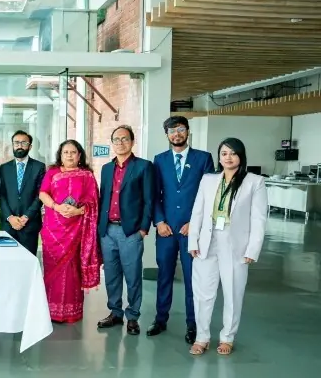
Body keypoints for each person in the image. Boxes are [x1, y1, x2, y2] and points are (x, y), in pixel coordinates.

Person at [188, 138, 267, 356]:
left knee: (233, 292)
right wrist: (193, 241)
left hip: (235, 244)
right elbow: (198, 212)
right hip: (207, 240)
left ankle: (227, 337)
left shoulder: (254, 182)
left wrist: (252, 249)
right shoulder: (208, 180)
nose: (228, 157)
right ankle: (202, 337)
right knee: (203, 292)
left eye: (233, 153)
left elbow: (259, 219)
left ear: (241, 156)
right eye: (223, 153)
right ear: (219, 157)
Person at [148, 116, 215, 343]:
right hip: (166, 230)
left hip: (191, 230)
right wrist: (159, 221)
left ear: (188, 132)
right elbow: (154, 195)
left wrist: (195, 223)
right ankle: (160, 319)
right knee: (164, 276)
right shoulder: (159, 160)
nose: (177, 134)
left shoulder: (203, 159)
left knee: (191, 278)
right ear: (166, 134)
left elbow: (209, 195)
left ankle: (192, 325)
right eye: (172, 131)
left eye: (181, 129)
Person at [97, 125, 155, 335]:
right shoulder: (106, 168)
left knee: (132, 275)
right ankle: (115, 312)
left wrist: (143, 229)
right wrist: (99, 228)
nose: (120, 143)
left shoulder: (143, 167)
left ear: (132, 141)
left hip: (130, 231)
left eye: (125, 139)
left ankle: (133, 316)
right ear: (111, 143)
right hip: (107, 231)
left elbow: (150, 200)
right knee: (111, 275)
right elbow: (104, 198)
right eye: (116, 139)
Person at [38, 140, 101, 323]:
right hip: (53, 230)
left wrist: (79, 211)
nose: (70, 155)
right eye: (66, 152)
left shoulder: (87, 176)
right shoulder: (52, 173)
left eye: (73, 152)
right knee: (52, 269)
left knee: (72, 270)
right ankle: (50, 310)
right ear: (61, 155)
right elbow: (43, 193)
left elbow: (93, 202)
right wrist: (57, 207)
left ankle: (71, 311)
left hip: (76, 230)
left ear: (79, 155)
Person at [0, 130, 46, 255]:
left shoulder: (39, 167)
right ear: (12, 145)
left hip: (29, 225)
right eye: (16, 143)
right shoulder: (4, 168)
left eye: (24, 143)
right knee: (7, 263)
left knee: (28, 262)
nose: (19, 146)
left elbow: (40, 195)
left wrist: (26, 217)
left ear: (30, 146)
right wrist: (10, 217)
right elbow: (1, 195)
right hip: (9, 225)